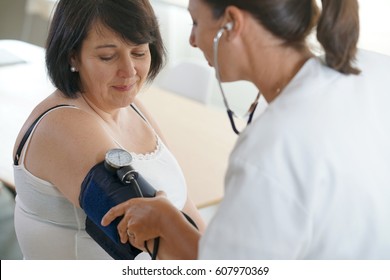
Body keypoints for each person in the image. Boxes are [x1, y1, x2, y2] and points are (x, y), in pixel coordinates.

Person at [102, 0, 390, 259]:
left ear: (231, 23)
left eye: (196, 22)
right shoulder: (375, 69)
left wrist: (168, 222)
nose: (191, 40)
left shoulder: (271, 148)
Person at [12, 0, 205, 260]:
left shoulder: (131, 107)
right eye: (107, 56)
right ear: (72, 56)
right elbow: (156, 242)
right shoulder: (64, 127)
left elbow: (187, 210)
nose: (129, 71)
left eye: (138, 53)